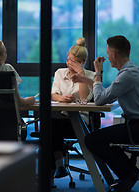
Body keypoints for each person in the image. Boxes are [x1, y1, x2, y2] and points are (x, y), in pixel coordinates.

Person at [72, 35, 139, 192]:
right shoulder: (130, 72)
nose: (107, 55)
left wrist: (97, 72)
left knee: (92, 140)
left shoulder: (127, 75)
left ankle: (128, 173)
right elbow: (105, 94)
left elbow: (99, 100)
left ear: (114, 54)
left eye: (108, 52)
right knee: (102, 139)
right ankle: (129, 172)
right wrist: (88, 80)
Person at [50, 38, 95, 186]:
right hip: (60, 118)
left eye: (74, 61)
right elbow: (53, 94)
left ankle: (58, 164)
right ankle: (59, 165)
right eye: (68, 60)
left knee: (52, 129)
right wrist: (62, 98)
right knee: (50, 127)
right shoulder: (59, 72)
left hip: (80, 121)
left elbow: (84, 98)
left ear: (82, 62)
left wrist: (81, 74)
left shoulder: (91, 76)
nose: (69, 64)